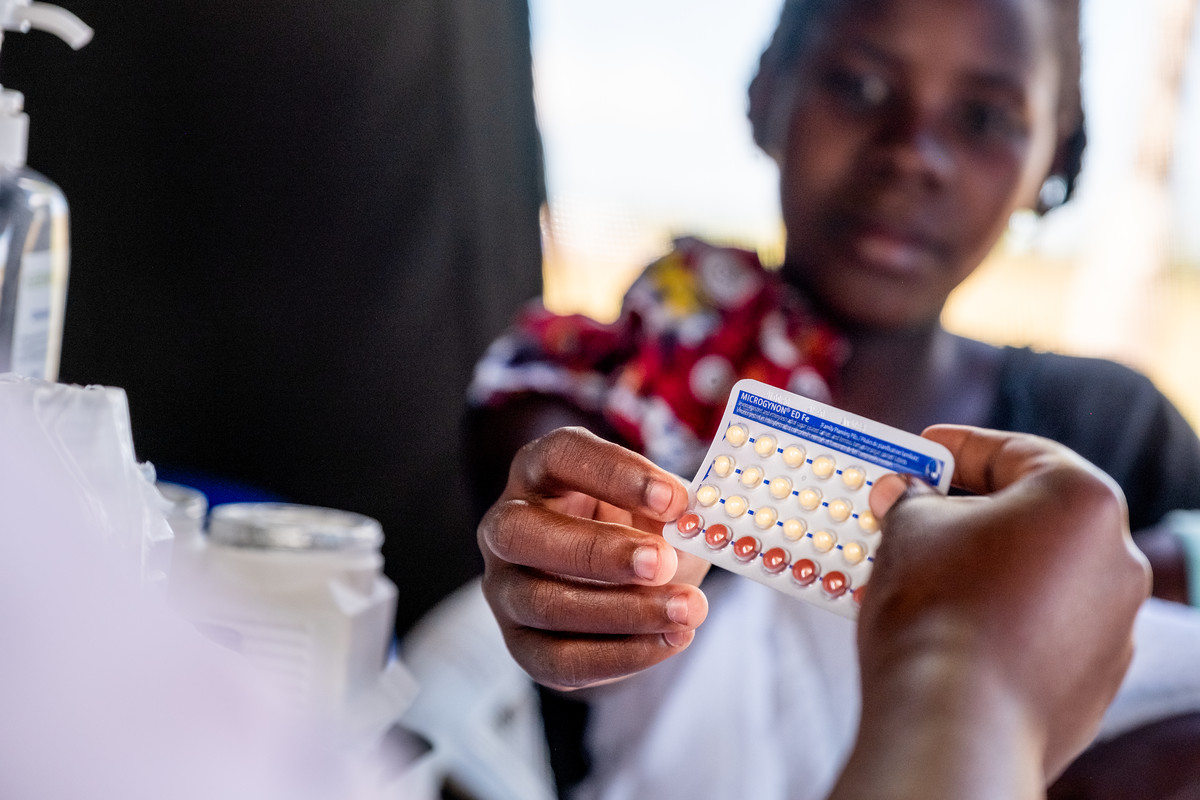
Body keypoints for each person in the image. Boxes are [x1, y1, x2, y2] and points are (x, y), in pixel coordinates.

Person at [466, 0, 1200, 797]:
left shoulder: (1117, 434)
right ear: (766, 92)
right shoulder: (605, 393)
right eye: (857, 84)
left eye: (984, 116)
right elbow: (576, 555)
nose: (912, 154)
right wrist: (585, 566)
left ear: (1052, 155)